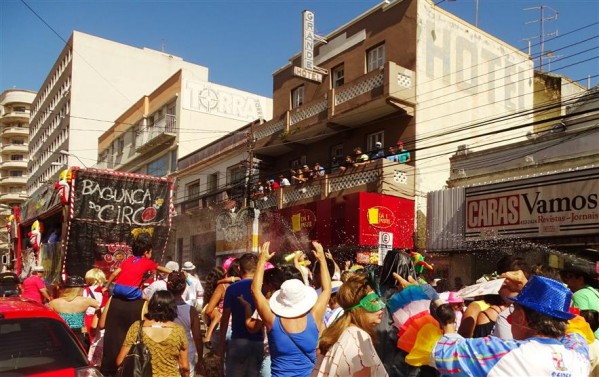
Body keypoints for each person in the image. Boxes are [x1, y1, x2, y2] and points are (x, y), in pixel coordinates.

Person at [393, 272, 592, 376]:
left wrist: (418, 297)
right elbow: (575, 327)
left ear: (522, 318)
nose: (510, 317)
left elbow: (432, 346)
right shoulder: (579, 355)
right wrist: (532, 290)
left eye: (514, 312)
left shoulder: (502, 354)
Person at [251, 240, 331, 377]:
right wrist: (322, 259)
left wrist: (262, 261)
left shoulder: (272, 321)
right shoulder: (314, 318)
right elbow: (327, 290)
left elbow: (255, 291)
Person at [314, 273, 388, 376]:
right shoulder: (359, 338)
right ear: (358, 307)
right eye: (373, 301)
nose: (382, 306)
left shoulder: (341, 331)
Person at [116, 290, 190, 377]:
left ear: (151, 305)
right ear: (172, 308)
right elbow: (184, 366)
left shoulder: (137, 327)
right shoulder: (178, 330)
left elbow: (120, 361)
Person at [218, 253, 264, 377]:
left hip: (238, 341)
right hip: (259, 341)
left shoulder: (232, 289)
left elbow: (225, 318)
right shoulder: (263, 287)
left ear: (239, 268)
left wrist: (221, 344)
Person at [104, 233, 172, 300]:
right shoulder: (147, 262)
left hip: (117, 289)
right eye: (151, 252)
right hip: (130, 291)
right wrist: (173, 272)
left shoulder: (128, 260)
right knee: (147, 299)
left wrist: (106, 287)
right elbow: (160, 268)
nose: (151, 254)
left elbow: (114, 273)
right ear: (146, 253)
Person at [168, 271, 205, 377]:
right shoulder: (191, 310)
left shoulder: (161, 309)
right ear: (184, 287)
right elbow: (197, 337)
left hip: (165, 351)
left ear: (168, 286)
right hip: (187, 353)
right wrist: (200, 358)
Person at [49, 275, 100, 350]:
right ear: (80, 288)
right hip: (80, 333)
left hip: (60, 333)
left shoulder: (53, 303)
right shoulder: (86, 301)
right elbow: (101, 307)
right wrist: (95, 321)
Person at [563, 268, 599, 339]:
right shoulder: (593, 293)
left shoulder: (579, 295)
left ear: (580, 279)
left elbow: (580, 323)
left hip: (590, 338)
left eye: (570, 276)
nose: (567, 280)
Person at [202, 266, 227, 347]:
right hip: (214, 313)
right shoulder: (221, 287)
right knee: (217, 315)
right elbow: (209, 310)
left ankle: (208, 335)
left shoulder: (211, 286)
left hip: (209, 313)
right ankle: (208, 336)